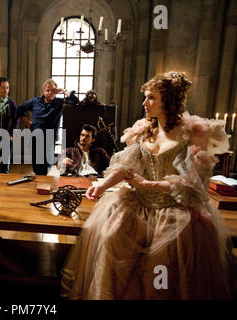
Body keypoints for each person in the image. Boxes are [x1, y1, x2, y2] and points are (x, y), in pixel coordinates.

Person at [61, 71, 236, 299]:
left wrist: (148, 183)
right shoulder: (144, 129)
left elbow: (192, 184)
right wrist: (102, 187)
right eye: (145, 97)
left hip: (174, 211)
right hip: (139, 204)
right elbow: (126, 167)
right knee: (110, 238)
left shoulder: (191, 134)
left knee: (160, 267)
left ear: (169, 100)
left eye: (151, 97)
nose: (144, 103)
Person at [18, 79, 79, 175]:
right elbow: (20, 108)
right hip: (36, 138)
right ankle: (38, 185)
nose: (50, 93)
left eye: (53, 91)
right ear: (44, 91)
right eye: (47, 90)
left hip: (49, 139)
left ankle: (42, 185)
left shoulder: (59, 102)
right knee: (37, 166)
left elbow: (75, 101)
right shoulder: (35, 101)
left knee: (46, 166)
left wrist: (63, 90)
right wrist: (28, 123)